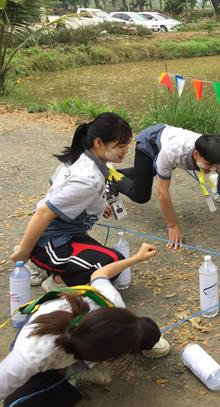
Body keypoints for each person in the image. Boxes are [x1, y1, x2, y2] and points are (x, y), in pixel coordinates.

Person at [1, 243, 170, 407]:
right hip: (43, 350)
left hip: (75, 346)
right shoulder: (33, 355)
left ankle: (74, 370)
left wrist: (137, 258)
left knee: (147, 332)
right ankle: (69, 374)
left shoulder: (109, 299)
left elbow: (100, 273)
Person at [11, 113, 133, 289]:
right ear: (98, 142)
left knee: (113, 261)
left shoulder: (80, 156)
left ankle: (44, 263)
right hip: (53, 239)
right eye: (120, 146)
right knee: (110, 266)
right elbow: (44, 212)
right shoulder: (88, 180)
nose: (126, 150)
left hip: (64, 234)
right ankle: (54, 280)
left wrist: (98, 204)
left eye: (127, 144)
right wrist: (24, 251)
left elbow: (57, 189)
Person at [113, 124, 220, 249]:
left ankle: (128, 173)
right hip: (150, 142)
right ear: (196, 154)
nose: (214, 169)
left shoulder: (216, 155)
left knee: (147, 173)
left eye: (216, 165)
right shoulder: (173, 152)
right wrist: (173, 225)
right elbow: (162, 190)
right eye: (209, 164)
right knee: (141, 194)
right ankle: (111, 175)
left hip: (169, 136)